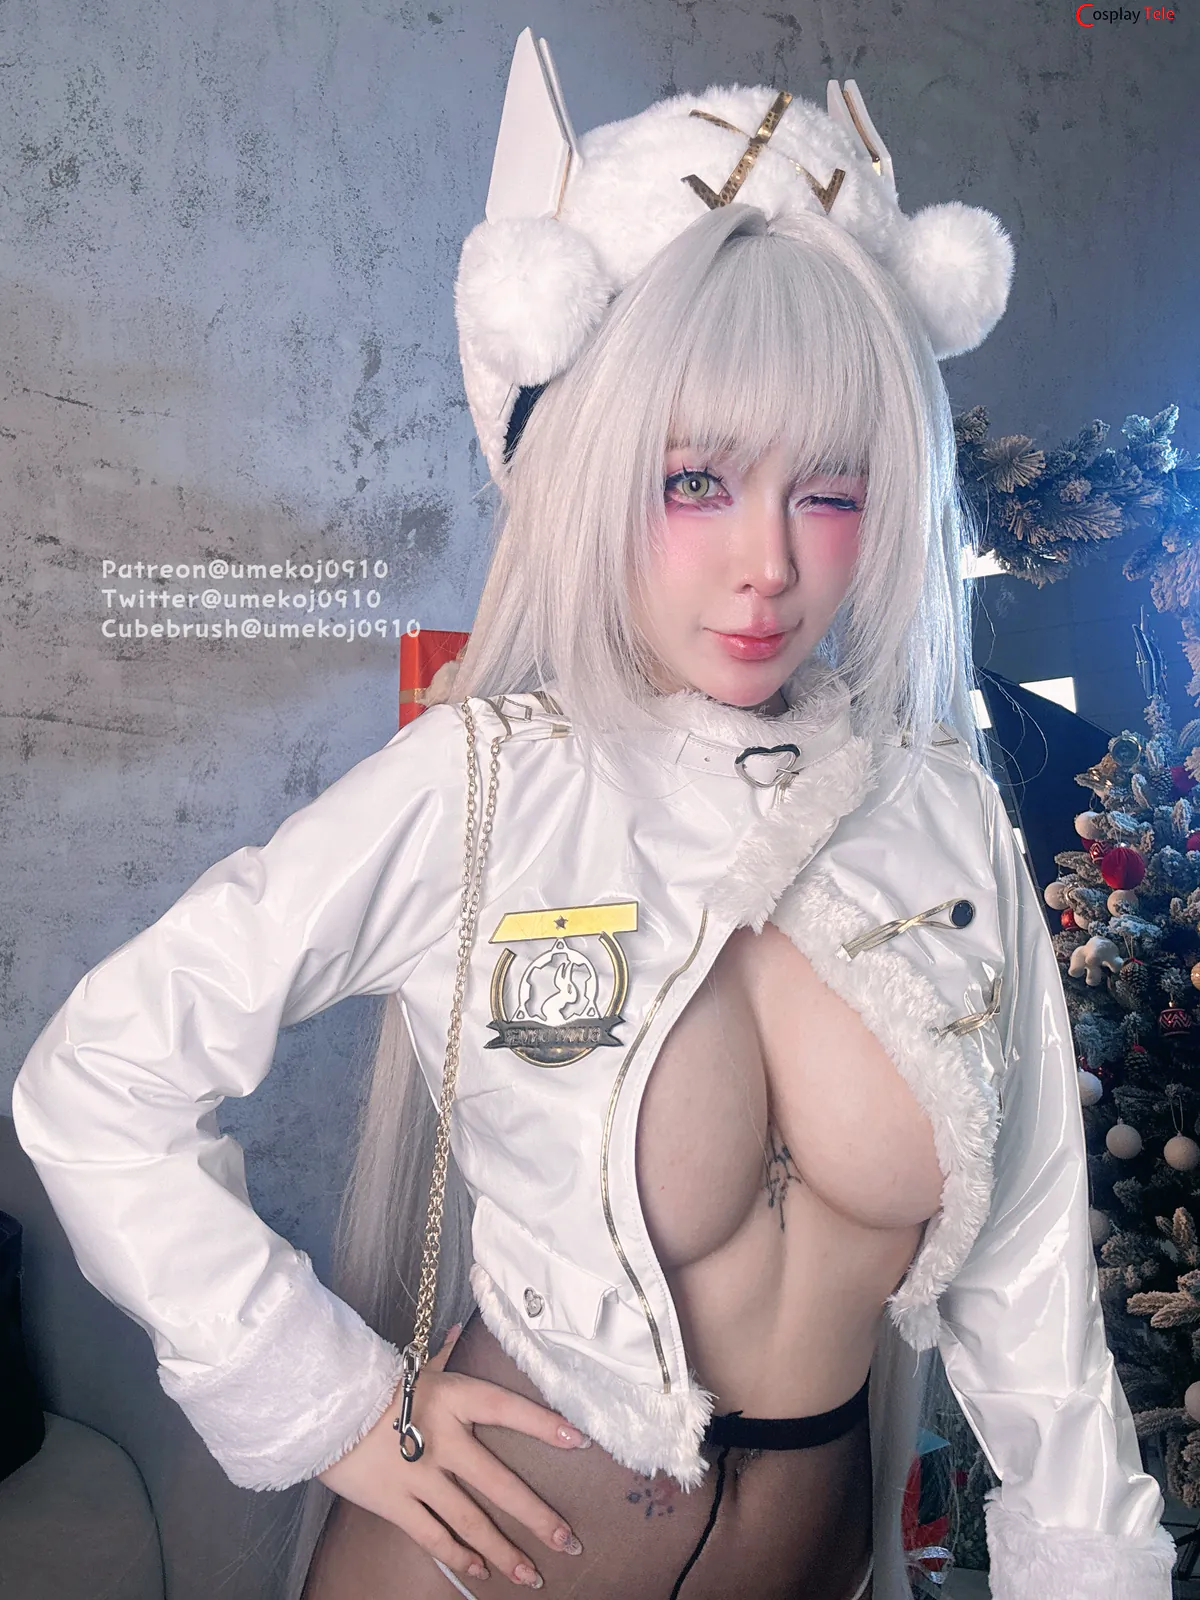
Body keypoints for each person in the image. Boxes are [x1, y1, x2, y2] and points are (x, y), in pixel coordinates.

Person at [12, 40, 1177, 1600]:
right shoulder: (483, 786)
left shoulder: (945, 821)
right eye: (696, 481)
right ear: (590, 467)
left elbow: (1035, 1292)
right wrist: (329, 1401)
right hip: (478, 1563)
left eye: (829, 488)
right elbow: (98, 1080)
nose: (768, 563)